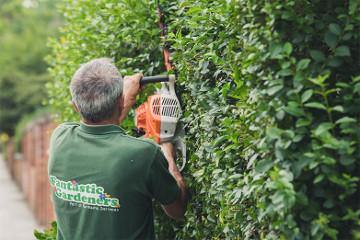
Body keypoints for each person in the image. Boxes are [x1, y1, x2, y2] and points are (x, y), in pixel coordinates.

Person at [48, 58, 187, 240]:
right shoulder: (144, 154)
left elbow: (100, 128)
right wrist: (166, 148)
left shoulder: (60, 138)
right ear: (120, 102)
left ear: (75, 106)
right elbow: (177, 209)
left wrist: (125, 99)